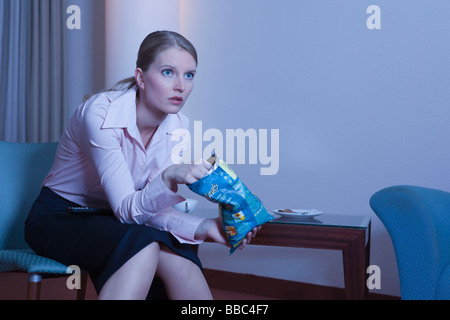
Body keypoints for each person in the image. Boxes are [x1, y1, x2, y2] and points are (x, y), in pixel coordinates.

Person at [24, 30, 259, 300]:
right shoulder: (100, 113)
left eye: (189, 75)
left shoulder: (179, 127)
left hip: (117, 222)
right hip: (60, 216)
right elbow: (127, 209)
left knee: (180, 260)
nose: (181, 86)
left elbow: (147, 209)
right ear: (140, 77)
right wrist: (170, 176)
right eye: (168, 72)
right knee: (142, 247)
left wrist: (205, 227)